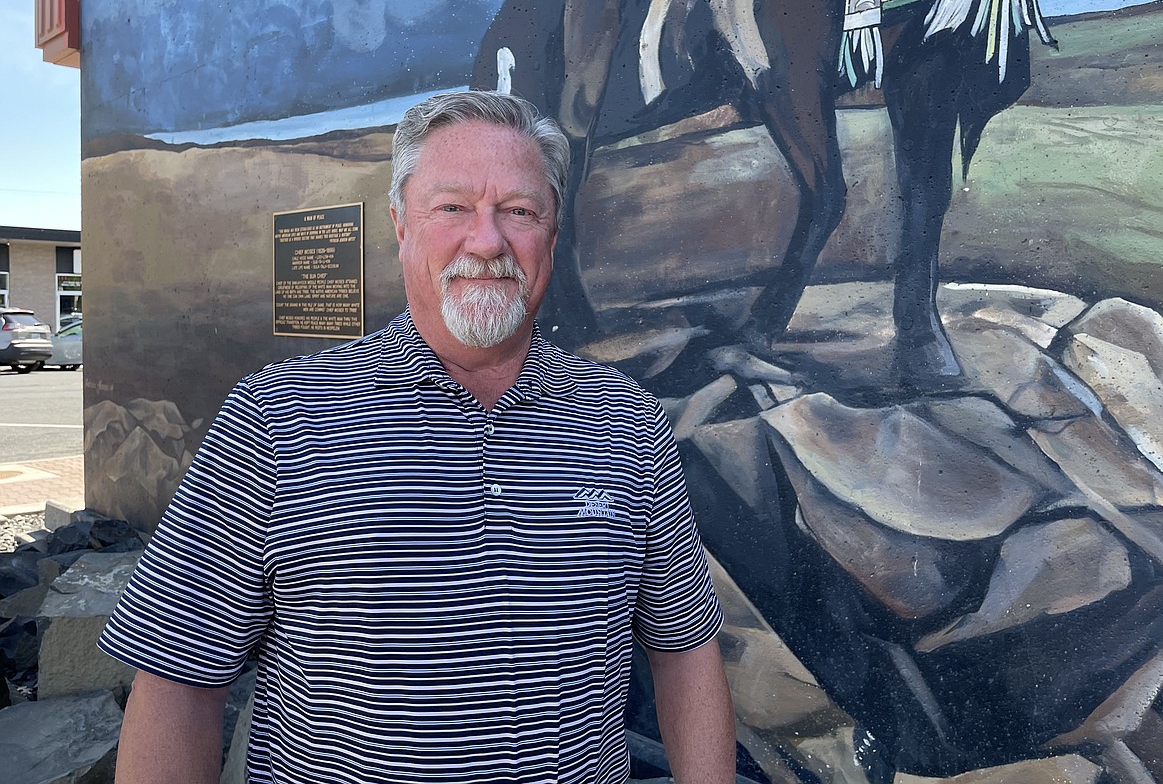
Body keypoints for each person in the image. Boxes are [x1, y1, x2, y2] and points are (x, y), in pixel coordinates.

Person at [100, 90, 735, 784]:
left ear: (551, 235)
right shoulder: (278, 420)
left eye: (519, 211)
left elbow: (685, 650)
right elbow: (177, 680)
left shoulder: (628, 424)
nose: (487, 240)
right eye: (453, 207)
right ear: (401, 225)